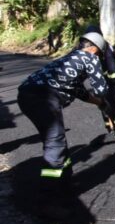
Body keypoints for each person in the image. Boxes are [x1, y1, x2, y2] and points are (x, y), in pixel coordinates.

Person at [17, 32, 110, 188]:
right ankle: (49, 197)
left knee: (56, 138)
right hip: (44, 97)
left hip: (25, 95)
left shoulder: (68, 61)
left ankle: (65, 180)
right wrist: (105, 98)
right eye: (100, 54)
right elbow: (101, 89)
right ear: (94, 49)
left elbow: (80, 92)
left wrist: (99, 103)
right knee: (55, 142)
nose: (99, 57)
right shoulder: (90, 57)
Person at [85, 25, 115, 131]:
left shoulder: (106, 48)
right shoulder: (87, 47)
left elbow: (112, 69)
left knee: (111, 102)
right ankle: (110, 125)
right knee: (102, 103)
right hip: (103, 78)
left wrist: (110, 84)